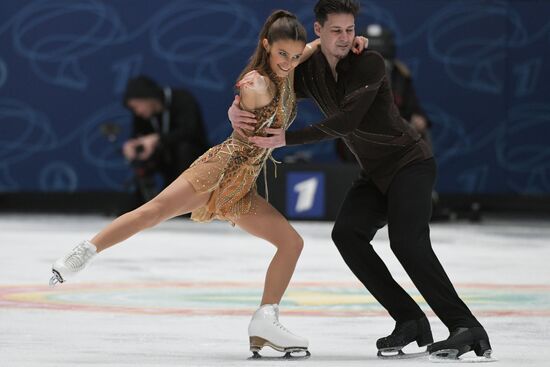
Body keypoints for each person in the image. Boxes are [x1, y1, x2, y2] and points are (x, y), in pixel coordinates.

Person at [228, 0, 493, 362]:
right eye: (335, 30)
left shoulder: (369, 62)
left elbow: (348, 121)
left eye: (349, 30)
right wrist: (237, 105)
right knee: (348, 235)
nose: (344, 38)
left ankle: (465, 327)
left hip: (410, 163)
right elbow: (272, 82)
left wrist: (287, 139)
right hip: (374, 172)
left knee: (407, 242)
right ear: (318, 31)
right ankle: (410, 320)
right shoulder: (311, 71)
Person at [50, 10, 318, 359]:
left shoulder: (288, 68)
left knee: (291, 243)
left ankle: (265, 320)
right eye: (283, 54)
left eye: (295, 56)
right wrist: (241, 97)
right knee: (154, 212)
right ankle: (83, 253)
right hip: (218, 171)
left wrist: (338, 43)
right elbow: (251, 88)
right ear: (266, 45)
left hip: (240, 187)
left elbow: (311, 48)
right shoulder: (259, 81)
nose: (289, 62)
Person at [123, 76, 208, 205]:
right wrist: (132, 145)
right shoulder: (142, 116)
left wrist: (158, 139)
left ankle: (187, 199)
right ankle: (141, 201)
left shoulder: (183, 99)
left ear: (147, 97)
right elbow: (139, 136)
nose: (137, 112)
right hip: (164, 160)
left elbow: (191, 131)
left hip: (193, 158)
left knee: (184, 148)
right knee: (142, 153)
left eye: (136, 106)